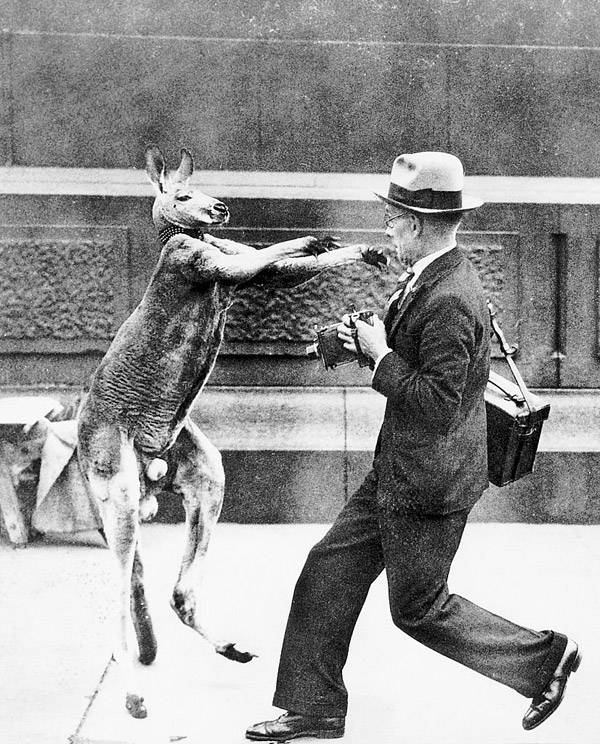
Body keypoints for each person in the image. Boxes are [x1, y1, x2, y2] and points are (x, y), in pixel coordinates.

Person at [246, 151, 581, 741]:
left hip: (429, 484)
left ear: (419, 223)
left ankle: (544, 659)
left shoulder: (450, 297)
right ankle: (314, 707)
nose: (386, 227)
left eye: (393, 218)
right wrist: (358, 344)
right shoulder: (432, 275)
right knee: (329, 570)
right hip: (403, 470)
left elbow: (437, 404)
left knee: (419, 610)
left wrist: (378, 357)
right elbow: (422, 368)